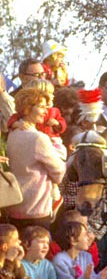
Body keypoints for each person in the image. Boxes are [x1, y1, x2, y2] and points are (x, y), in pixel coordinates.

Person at [4, 86, 66, 231]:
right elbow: (59, 172)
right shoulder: (38, 138)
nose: (46, 112)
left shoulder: (13, 134)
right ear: (27, 108)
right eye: (42, 107)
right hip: (37, 208)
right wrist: (59, 149)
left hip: (15, 205)